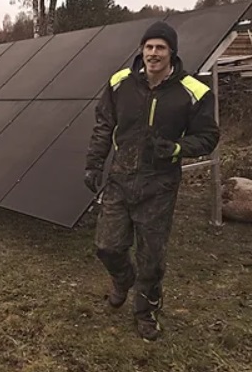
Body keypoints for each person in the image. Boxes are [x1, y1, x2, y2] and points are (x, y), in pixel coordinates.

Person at [83, 21, 220, 341]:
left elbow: (209, 136)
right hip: (120, 178)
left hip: (159, 185)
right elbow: (104, 125)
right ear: (141, 50)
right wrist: (93, 164)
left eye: (160, 47)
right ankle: (122, 279)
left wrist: (176, 149)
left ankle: (145, 312)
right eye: (149, 47)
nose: (153, 53)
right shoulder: (120, 83)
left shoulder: (194, 91)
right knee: (107, 246)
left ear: (172, 52)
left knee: (152, 258)